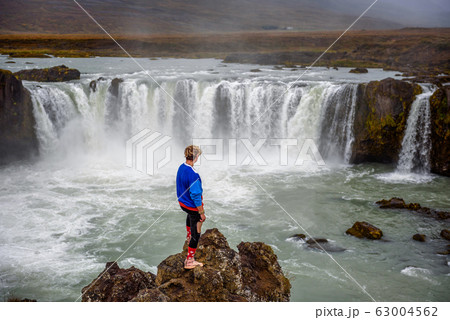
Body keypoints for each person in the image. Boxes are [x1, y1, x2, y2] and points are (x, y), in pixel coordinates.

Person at [176, 145, 206, 269]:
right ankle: (190, 261)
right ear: (196, 156)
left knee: (190, 217)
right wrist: (202, 212)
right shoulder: (194, 175)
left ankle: (188, 237)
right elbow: (196, 195)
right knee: (197, 232)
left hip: (183, 203)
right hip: (192, 206)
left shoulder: (181, 167)